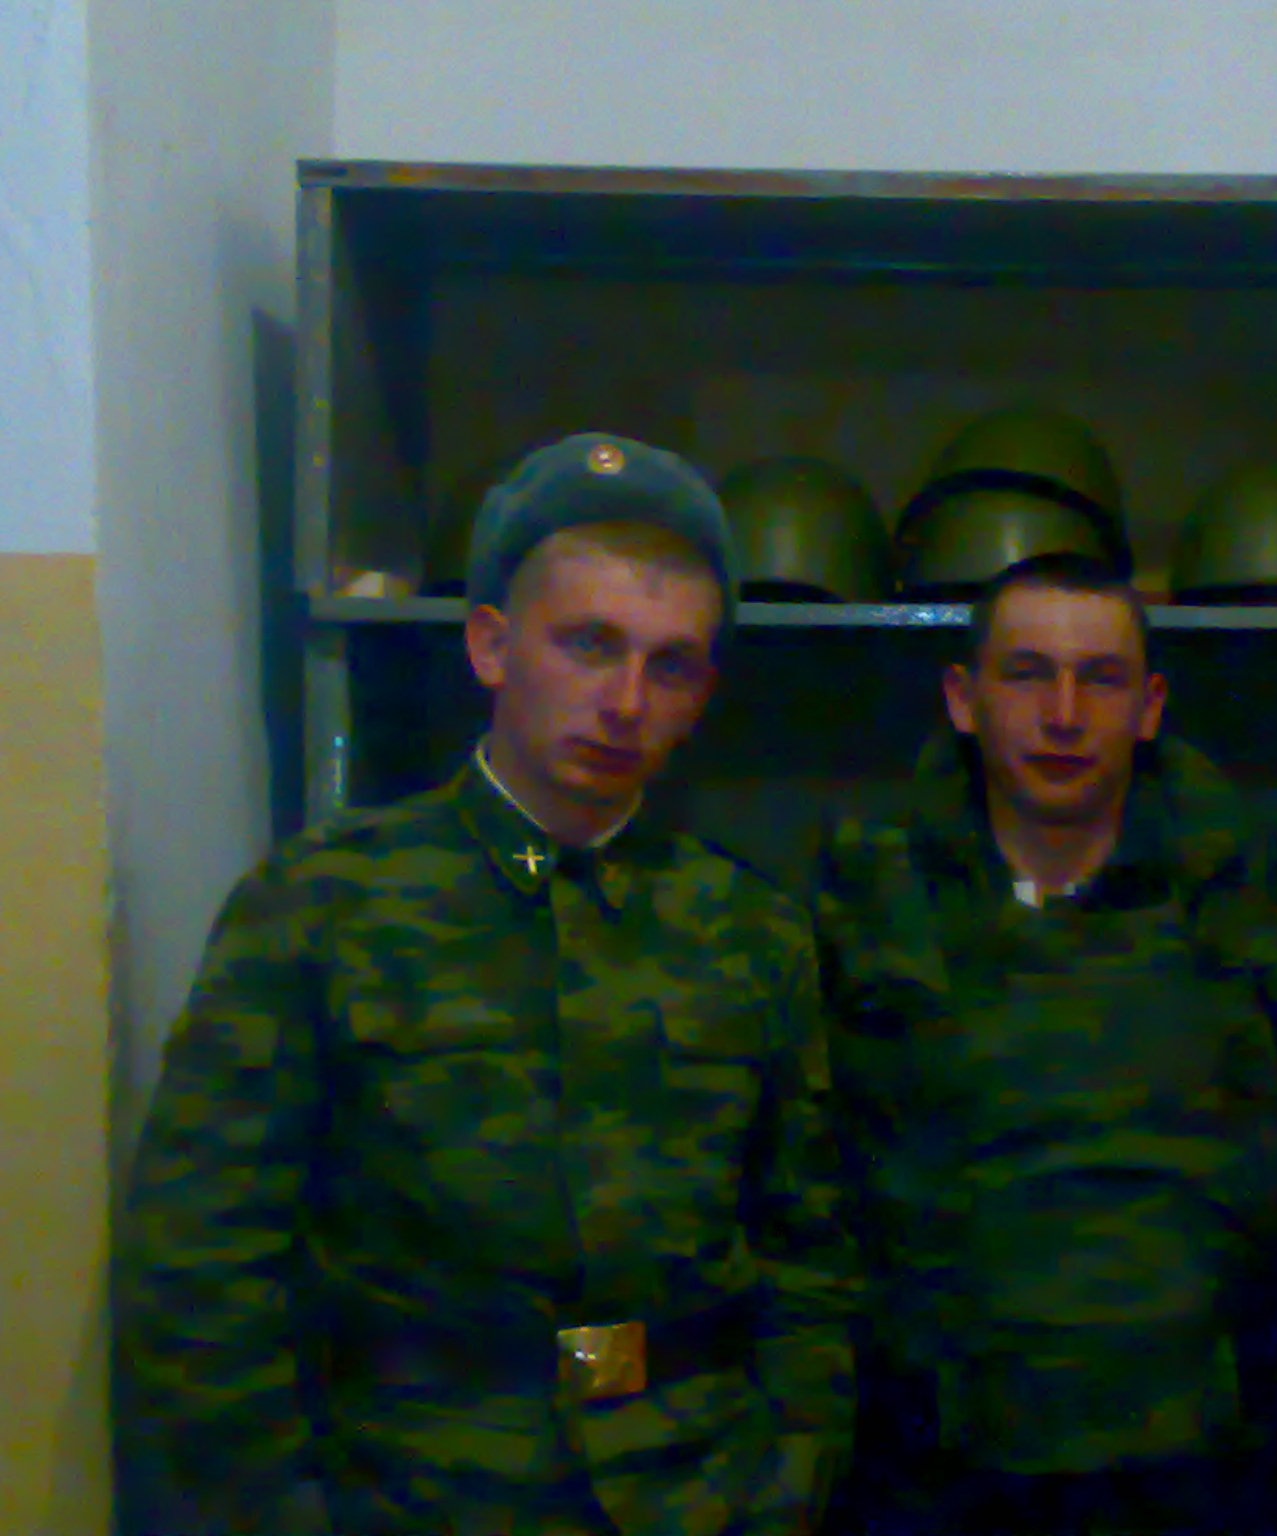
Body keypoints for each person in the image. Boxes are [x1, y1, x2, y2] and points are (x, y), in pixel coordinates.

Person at [119, 433, 860, 1536]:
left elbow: (808, 1247)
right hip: (412, 1487)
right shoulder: (326, 906)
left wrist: (792, 1473)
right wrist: (283, 1509)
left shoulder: (749, 933)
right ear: (491, 646)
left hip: (693, 1486)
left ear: (703, 692)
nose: (625, 700)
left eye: (670, 665)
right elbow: (201, 1256)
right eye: (590, 644)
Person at [811, 552, 1277, 1536]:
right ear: (963, 699)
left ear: (1148, 707)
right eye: (1026, 675)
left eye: (1100, 679)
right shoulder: (870, 899)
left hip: (1203, 1468)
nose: (1063, 715)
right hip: (939, 1471)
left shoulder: (1250, 895)